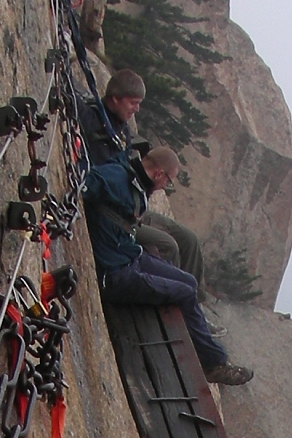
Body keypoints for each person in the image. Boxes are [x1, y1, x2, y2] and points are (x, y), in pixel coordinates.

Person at [84, 144, 251, 385]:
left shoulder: (132, 178)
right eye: (168, 181)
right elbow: (88, 182)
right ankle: (214, 364)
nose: (165, 187)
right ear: (159, 173)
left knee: (188, 282)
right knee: (183, 292)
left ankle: (206, 341)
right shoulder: (118, 177)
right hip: (115, 274)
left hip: (129, 256)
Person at [75, 69, 206, 284]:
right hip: (117, 208)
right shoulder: (92, 119)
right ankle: (169, 296)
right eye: (133, 103)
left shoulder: (121, 129)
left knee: (189, 239)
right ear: (115, 99)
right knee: (169, 245)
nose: (136, 109)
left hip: (133, 200)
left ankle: (193, 298)